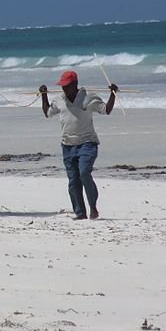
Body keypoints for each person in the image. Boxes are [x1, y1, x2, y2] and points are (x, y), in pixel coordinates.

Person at [39, 70, 118, 220]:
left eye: (67, 86)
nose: (64, 89)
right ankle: (80, 213)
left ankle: (93, 207)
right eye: (62, 86)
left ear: (75, 85)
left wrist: (113, 94)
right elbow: (47, 113)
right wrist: (43, 95)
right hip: (67, 145)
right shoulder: (59, 100)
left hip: (87, 143)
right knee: (73, 180)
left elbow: (106, 110)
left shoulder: (88, 98)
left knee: (84, 173)